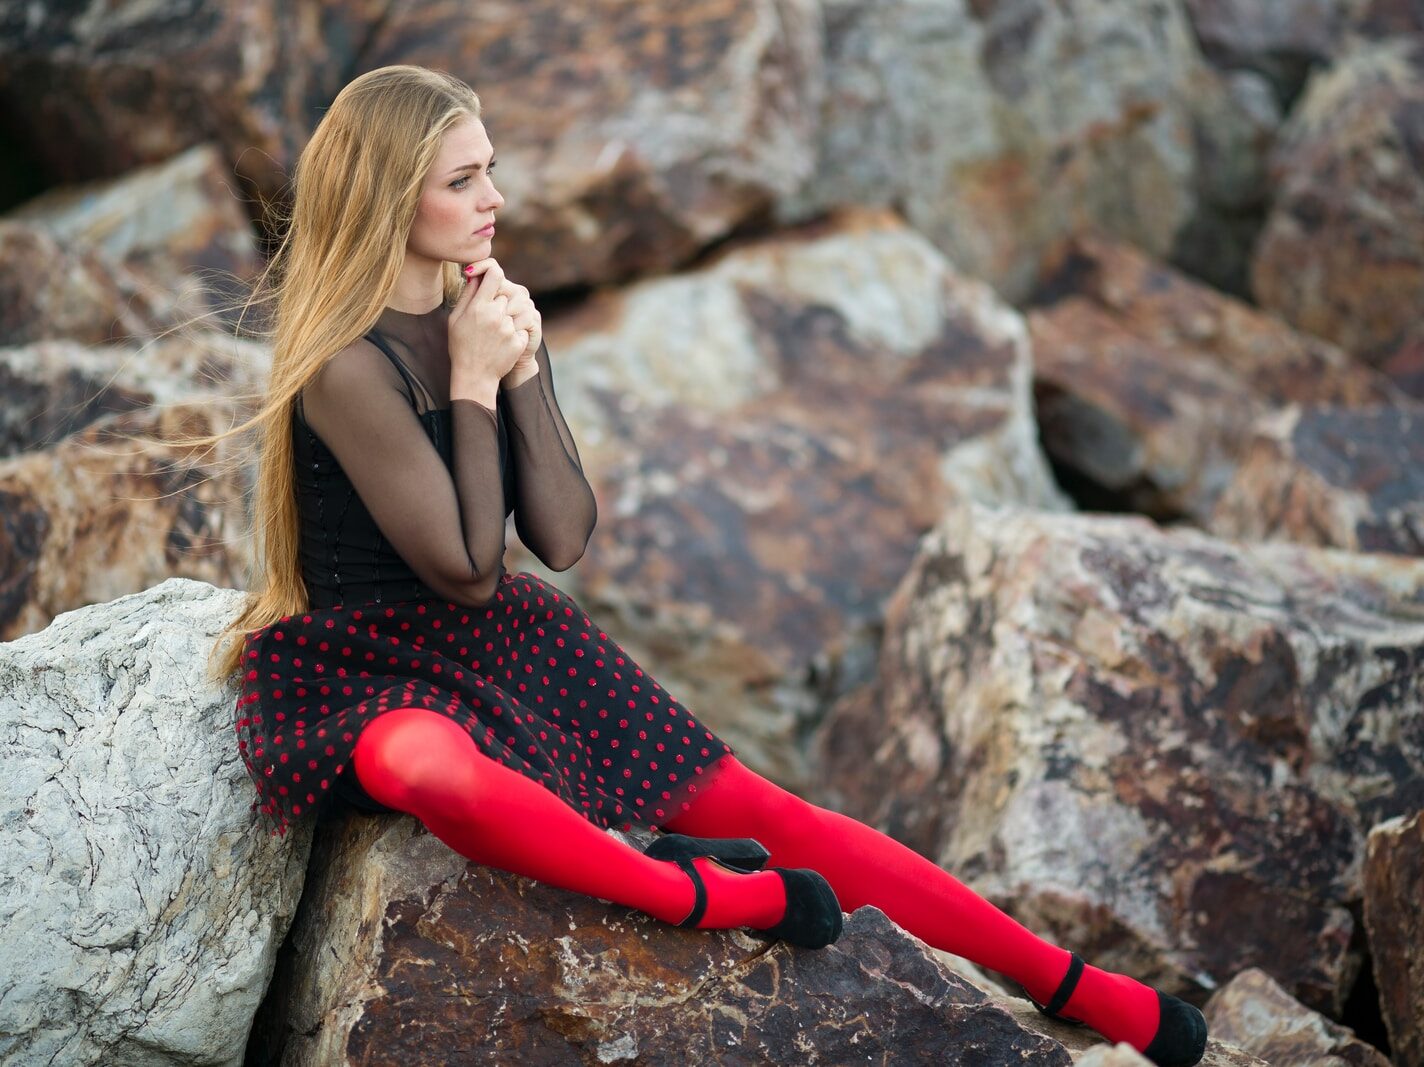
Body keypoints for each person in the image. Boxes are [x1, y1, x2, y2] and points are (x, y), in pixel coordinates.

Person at [209, 65, 1208, 1066]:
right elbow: (466, 565)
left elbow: (557, 536)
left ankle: (1075, 982)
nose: (495, 200)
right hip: (368, 659)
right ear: (391, 197)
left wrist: (518, 368)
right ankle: (696, 889)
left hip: (505, 639)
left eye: (490, 171)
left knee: (767, 806)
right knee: (426, 770)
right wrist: (472, 379)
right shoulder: (346, 364)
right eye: (462, 180)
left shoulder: (483, 308)